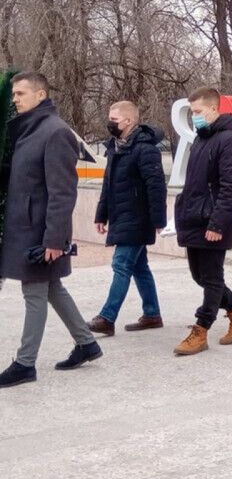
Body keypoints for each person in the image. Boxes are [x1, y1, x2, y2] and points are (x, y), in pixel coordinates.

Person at [0, 72, 102, 388]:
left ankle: (24, 363)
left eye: (20, 93)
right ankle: (87, 344)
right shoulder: (29, 130)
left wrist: (55, 239)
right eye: (14, 94)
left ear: (41, 95)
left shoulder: (55, 133)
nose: (14, 99)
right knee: (52, 287)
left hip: (39, 231)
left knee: (34, 292)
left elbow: (63, 191)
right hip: (26, 225)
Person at [173, 87, 232, 355]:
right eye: (191, 112)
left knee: (211, 277)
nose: (194, 117)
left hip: (213, 219)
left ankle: (201, 330)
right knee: (200, 276)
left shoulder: (230, 139)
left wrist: (217, 224)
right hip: (195, 216)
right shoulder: (202, 138)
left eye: (197, 112)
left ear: (213, 109)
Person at [87, 101, 167, 336]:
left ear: (129, 121)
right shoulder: (115, 146)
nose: (110, 123)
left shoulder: (145, 149)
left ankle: (107, 317)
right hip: (122, 216)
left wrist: (158, 220)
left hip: (138, 218)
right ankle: (152, 315)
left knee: (121, 265)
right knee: (139, 268)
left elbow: (156, 186)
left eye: (114, 119)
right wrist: (101, 214)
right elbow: (108, 183)